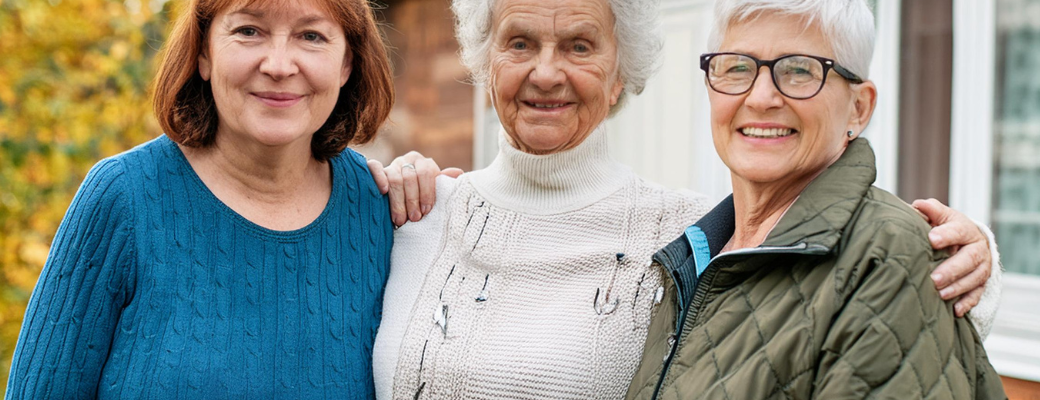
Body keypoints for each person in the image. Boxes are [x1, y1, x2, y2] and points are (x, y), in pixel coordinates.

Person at [368, 0, 1001, 398]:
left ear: (622, 72)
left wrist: (973, 266)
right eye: (519, 42)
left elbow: (825, 282)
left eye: (581, 45)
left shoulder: (684, 238)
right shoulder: (414, 213)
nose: (547, 71)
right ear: (484, 61)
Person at [6, 0, 394, 398]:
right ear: (204, 53)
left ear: (347, 63)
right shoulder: (123, 197)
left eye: (311, 36)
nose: (279, 66)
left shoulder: (390, 213)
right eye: (248, 31)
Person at [624, 1, 1005, 398]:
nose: (761, 98)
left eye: (799, 70)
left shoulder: (883, 256)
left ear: (859, 108)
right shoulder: (691, 253)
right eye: (737, 67)